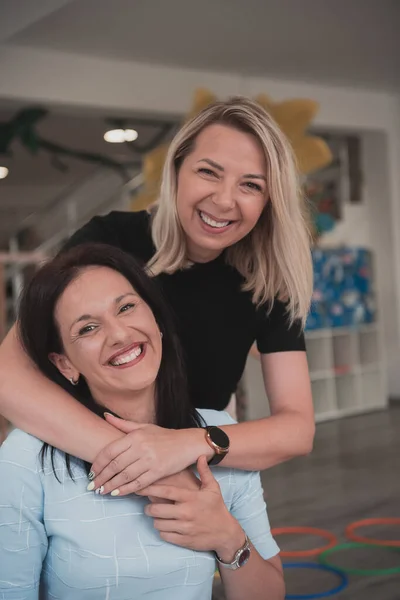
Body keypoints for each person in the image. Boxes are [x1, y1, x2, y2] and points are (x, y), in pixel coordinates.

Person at [0, 96, 314, 496]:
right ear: (177, 170)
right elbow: (8, 376)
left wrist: (186, 446)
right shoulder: (109, 242)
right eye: (208, 172)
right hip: (87, 475)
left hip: (194, 477)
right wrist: (146, 463)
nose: (223, 200)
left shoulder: (268, 280)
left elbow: (297, 428)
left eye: (251, 185)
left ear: (270, 201)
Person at [0, 244, 284, 600]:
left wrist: (228, 538)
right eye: (88, 328)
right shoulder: (25, 459)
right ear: (64, 364)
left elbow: (270, 593)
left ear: (157, 321)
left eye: (127, 307)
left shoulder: (216, 435)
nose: (119, 334)